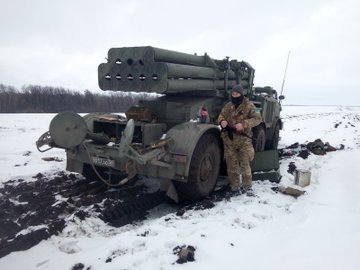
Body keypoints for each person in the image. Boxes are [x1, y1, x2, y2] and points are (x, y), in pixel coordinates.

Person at [218, 84, 262, 194]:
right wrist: (222, 121)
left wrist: (244, 124)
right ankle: (234, 187)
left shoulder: (249, 105)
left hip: (244, 140)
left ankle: (247, 187)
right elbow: (221, 115)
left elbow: (258, 118)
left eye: (237, 94)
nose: (234, 95)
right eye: (233, 94)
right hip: (230, 140)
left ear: (241, 94)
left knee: (245, 165)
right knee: (231, 166)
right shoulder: (228, 105)